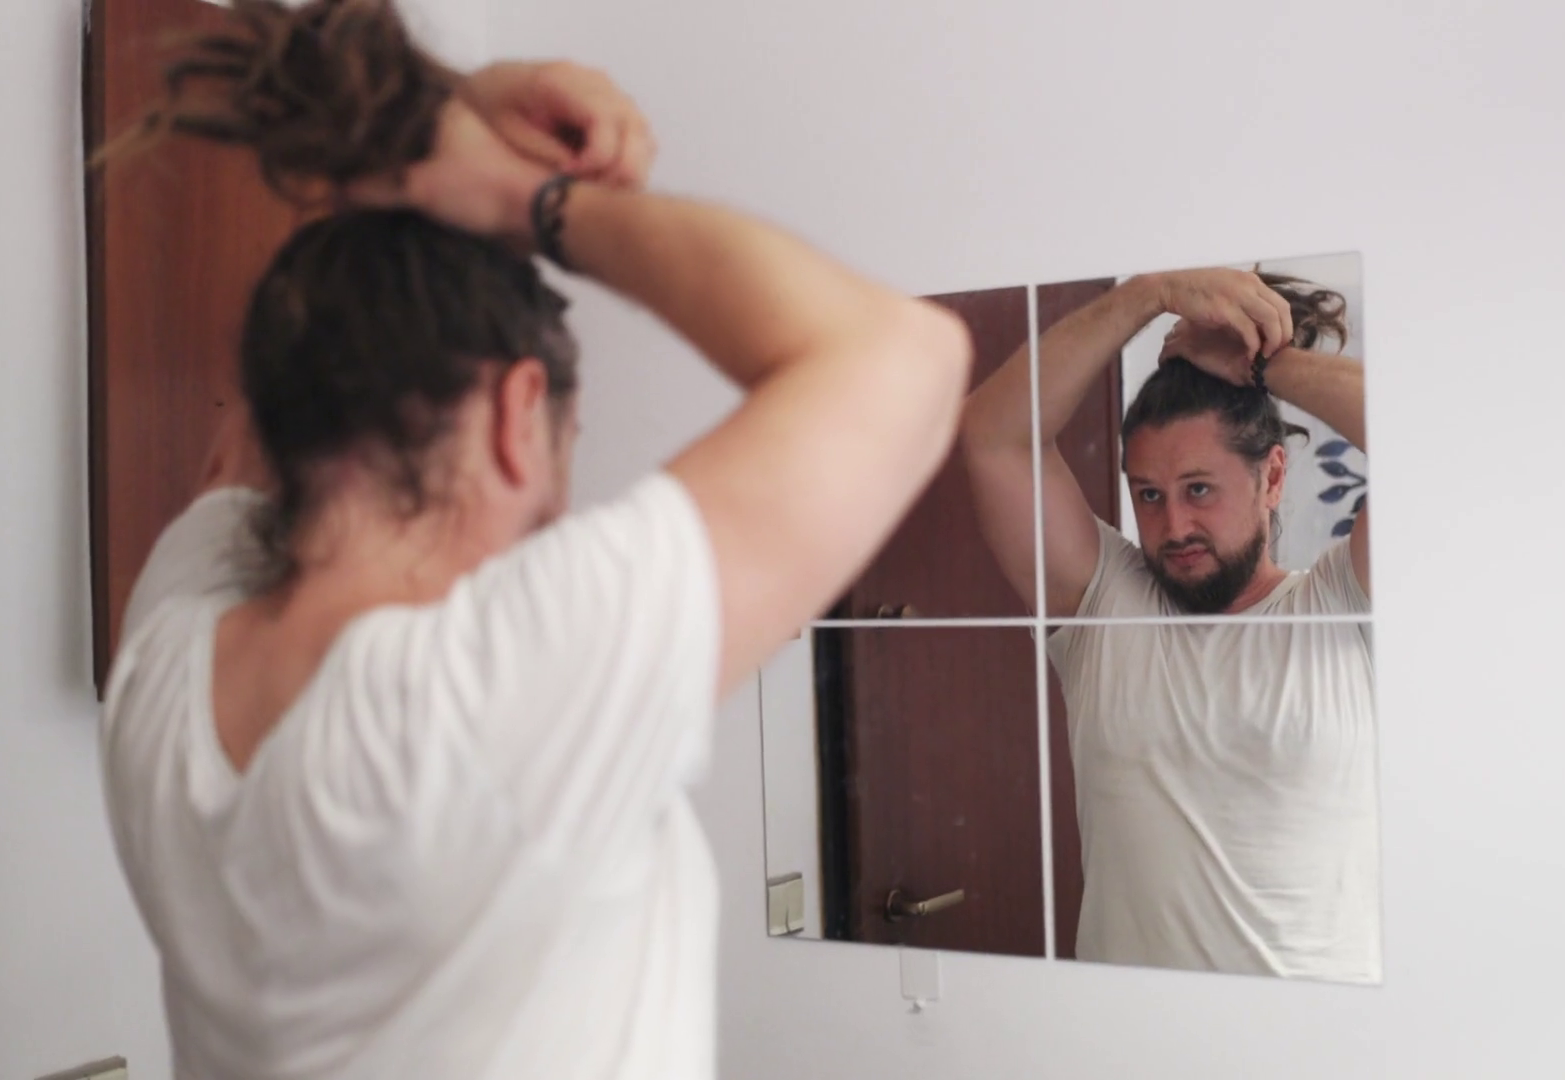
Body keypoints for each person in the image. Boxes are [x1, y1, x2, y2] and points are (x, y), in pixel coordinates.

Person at [97, 2, 972, 1076]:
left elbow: (296, 357)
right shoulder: (488, 693)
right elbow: (908, 356)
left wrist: (453, 118)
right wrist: (524, 198)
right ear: (518, 416)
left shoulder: (168, 665)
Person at [960, 268, 1378, 983]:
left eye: (1199, 489)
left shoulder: (1345, 604)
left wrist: (1262, 365)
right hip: (1132, 1032)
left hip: (1323, 1029)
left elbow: (1429, 438)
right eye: (1149, 495)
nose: (1174, 525)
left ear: (1273, 478)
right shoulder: (1104, 606)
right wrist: (1146, 296)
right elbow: (994, 436)